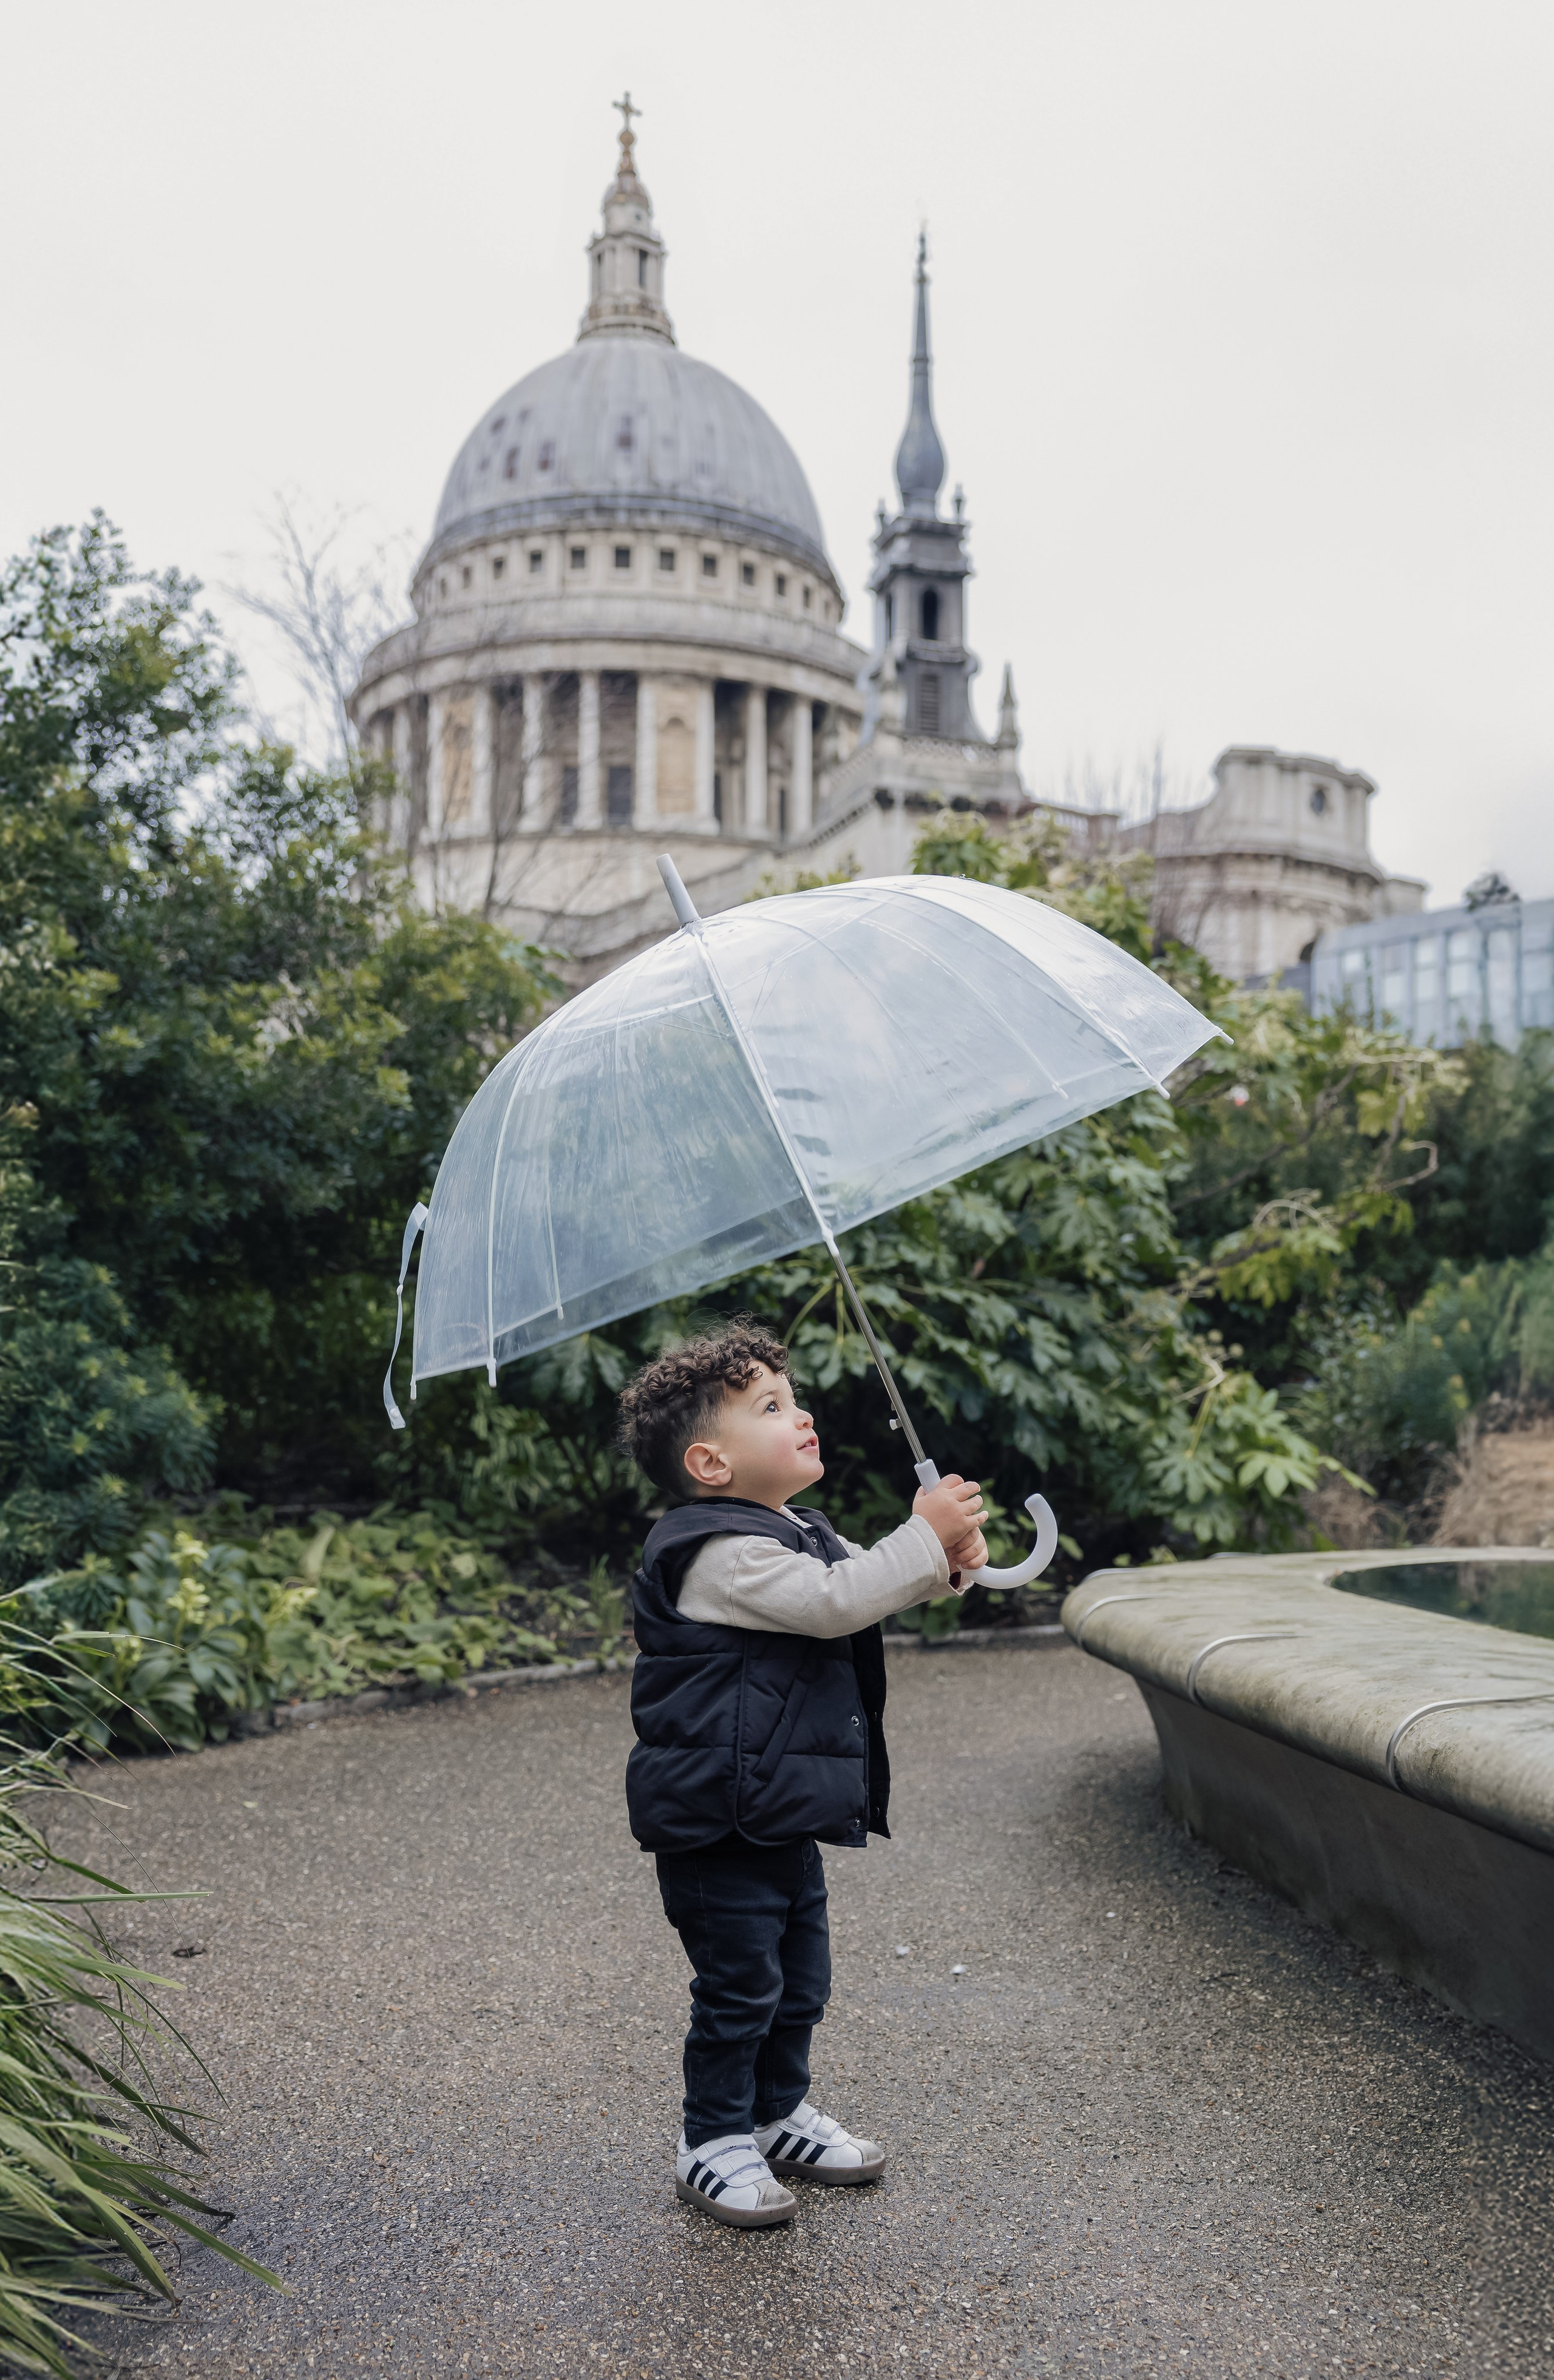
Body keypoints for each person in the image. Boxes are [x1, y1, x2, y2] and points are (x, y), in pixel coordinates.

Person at [617, 1317, 987, 2229]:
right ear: (711, 1463)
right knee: (742, 1984)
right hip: (715, 1819)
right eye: (772, 1406)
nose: (803, 1413)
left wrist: (945, 1562)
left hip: (772, 1805)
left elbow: (868, 1582)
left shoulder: (795, 1528)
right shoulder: (715, 1551)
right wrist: (919, 1534)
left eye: (794, 1396)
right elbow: (834, 1605)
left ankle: (775, 2113)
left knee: (799, 1977)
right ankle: (711, 2138)